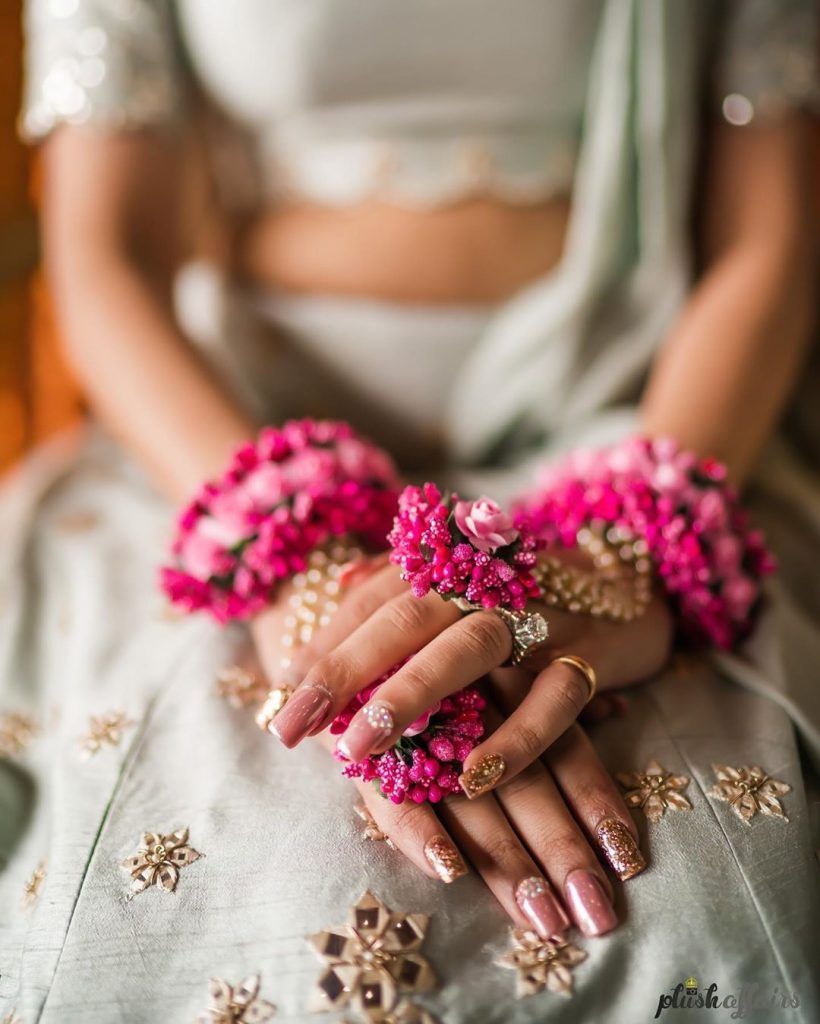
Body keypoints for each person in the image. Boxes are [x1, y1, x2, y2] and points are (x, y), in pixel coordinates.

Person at [1, 1, 819, 1021]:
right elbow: (105, 260)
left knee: (695, 900)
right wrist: (291, 557)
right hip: (226, 436)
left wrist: (622, 553)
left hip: (646, 414)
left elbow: (767, 241)